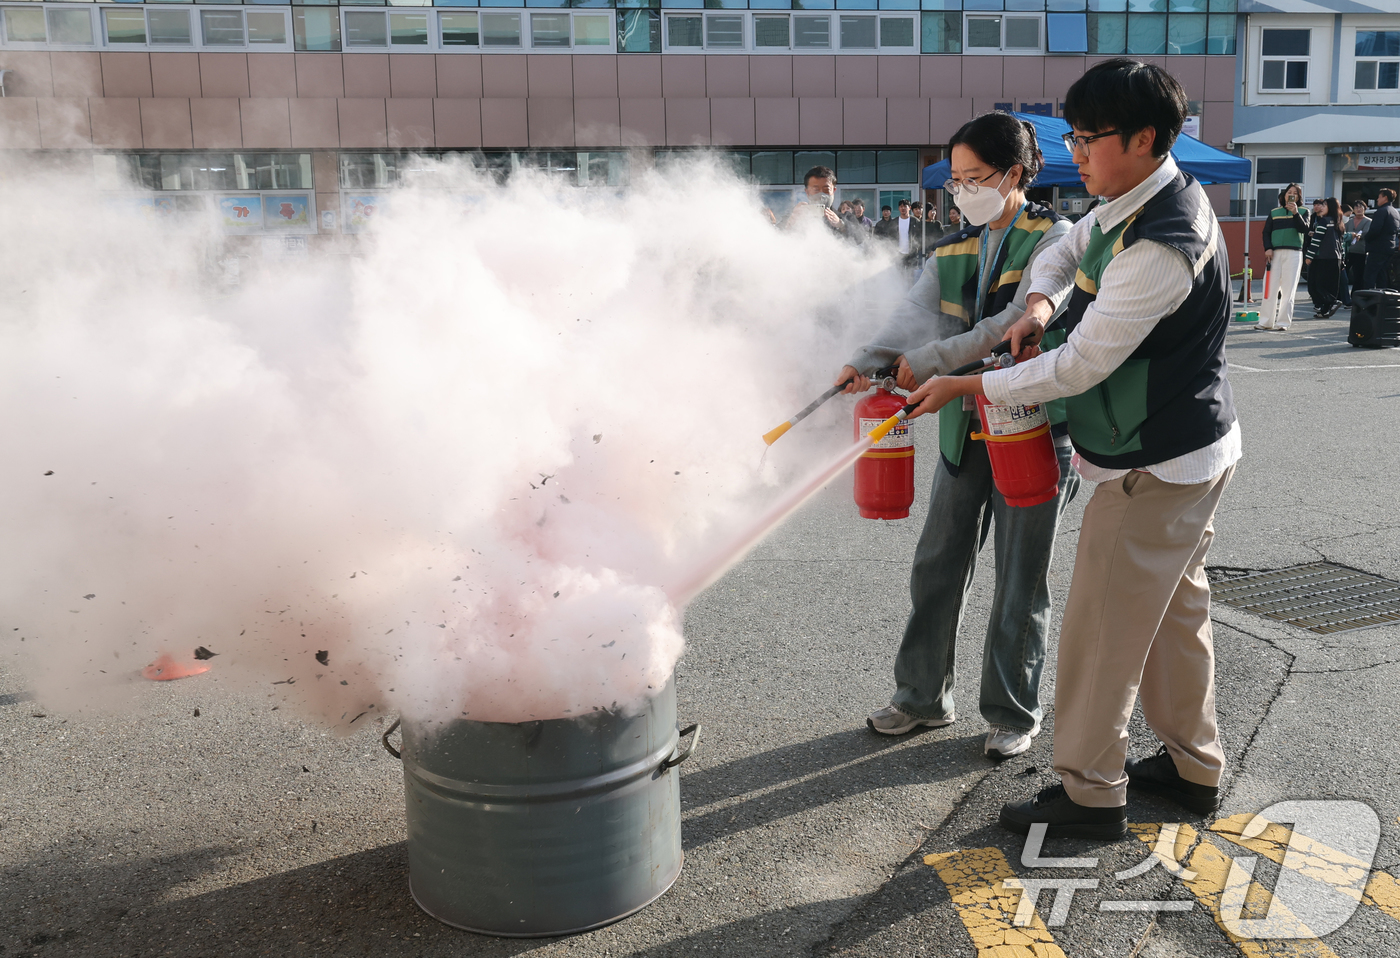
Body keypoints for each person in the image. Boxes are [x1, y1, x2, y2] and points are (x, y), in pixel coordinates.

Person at [903, 58, 1240, 839]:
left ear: (1147, 138)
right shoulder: (1129, 200)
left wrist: (970, 387)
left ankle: (1090, 790)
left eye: (1090, 139)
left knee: (1100, 634)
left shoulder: (1163, 239)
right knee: (1175, 619)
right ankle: (1194, 767)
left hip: (1154, 464)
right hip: (1189, 451)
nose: (1077, 154)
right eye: (1074, 138)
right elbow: (1060, 252)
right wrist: (1043, 300)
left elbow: (1082, 364)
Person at [833, 111, 1076, 761]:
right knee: (937, 564)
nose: (962, 191)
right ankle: (920, 697)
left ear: (1016, 174)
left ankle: (1011, 710)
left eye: (975, 178)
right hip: (963, 431)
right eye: (957, 180)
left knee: (1020, 579)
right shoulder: (957, 247)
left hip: (1032, 432)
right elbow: (911, 315)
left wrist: (933, 360)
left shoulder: (1056, 239)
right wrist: (868, 356)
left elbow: (1009, 324)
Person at [1258, 183, 1309, 331]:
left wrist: (1295, 213)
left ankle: (1283, 323)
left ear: (1299, 197)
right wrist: (1267, 248)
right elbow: (1266, 232)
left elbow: (1304, 228)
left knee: (1289, 288)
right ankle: (1265, 322)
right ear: (1284, 195)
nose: (1291, 195)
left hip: (1294, 253)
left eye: (1295, 193)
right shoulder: (1274, 212)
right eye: (1289, 192)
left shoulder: (1304, 211)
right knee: (1269, 287)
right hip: (1274, 253)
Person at [1304, 197, 1344, 318]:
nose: (1321, 207)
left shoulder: (1324, 221)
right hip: (1335, 257)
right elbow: (1341, 243)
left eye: (1324, 205)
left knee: (1315, 285)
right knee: (1329, 285)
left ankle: (1332, 302)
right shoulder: (1339, 222)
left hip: (1322, 258)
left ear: (1330, 207)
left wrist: (1309, 256)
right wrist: (1342, 260)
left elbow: (1317, 240)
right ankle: (1325, 310)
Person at [783, 166, 850, 236]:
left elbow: (859, 236)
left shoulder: (845, 218)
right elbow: (776, 236)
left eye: (826, 190)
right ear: (807, 192)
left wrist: (841, 225)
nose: (821, 194)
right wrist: (791, 222)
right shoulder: (793, 216)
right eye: (816, 190)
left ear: (833, 191)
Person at [1360, 188, 1400, 291]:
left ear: (1385, 198)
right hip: (1389, 247)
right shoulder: (1395, 212)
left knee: (1369, 276)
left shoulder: (1381, 211)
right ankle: (1382, 300)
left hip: (1377, 248)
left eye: (1379, 197)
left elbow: (1375, 230)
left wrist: (1366, 238)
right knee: (1382, 276)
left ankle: (1368, 301)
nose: (1377, 199)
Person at [1344, 200, 1371, 298]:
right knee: (1344, 273)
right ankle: (1342, 295)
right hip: (1348, 251)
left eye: (1361, 207)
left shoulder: (1368, 221)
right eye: (1356, 207)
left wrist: (1358, 235)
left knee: (1358, 275)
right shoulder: (1348, 221)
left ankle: (1356, 295)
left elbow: (1366, 233)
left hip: (1361, 251)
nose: (1358, 209)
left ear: (1365, 208)